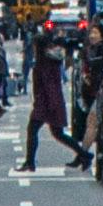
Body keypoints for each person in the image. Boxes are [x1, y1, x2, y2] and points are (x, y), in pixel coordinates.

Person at [24, 24, 73, 174]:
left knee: (33, 130)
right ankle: (84, 155)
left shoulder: (44, 62)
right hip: (49, 102)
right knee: (58, 133)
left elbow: (49, 85)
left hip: (46, 103)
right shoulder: (48, 60)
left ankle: (30, 162)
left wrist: (50, 105)